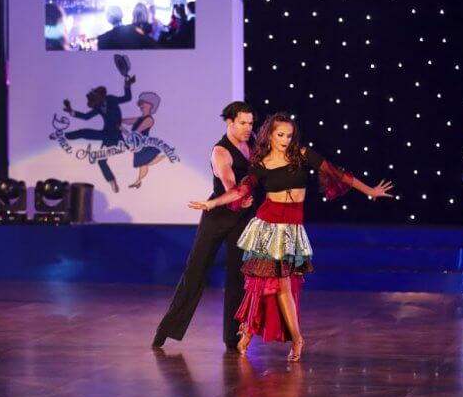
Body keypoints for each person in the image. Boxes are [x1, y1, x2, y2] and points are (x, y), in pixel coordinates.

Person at [189, 112, 394, 361]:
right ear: (269, 136)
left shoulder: (302, 155)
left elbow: (337, 173)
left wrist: (370, 191)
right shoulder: (261, 165)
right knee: (263, 285)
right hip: (267, 228)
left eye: (289, 135)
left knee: (282, 286)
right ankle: (258, 333)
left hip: (290, 229)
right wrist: (212, 204)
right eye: (280, 135)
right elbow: (240, 190)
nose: (286, 139)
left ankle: (290, 339)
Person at [152, 102, 256, 350]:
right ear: (229, 122)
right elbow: (230, 184)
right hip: (218, 215)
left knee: (238, 276)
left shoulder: (252, 144)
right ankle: (165, 331)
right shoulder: (221, 151)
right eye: (242, 123)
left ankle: (232, 337)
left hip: (242, 219)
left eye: (250, 123)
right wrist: (238, 197)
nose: (247, 128)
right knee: (196, 272)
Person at [63, 75, 136, 193]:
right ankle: (112, 181)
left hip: (117, 135)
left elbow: (127, 98)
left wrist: (127, 85)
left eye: (96, 98)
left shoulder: (111, 99)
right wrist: (71, 111)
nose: (95, 102)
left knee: (132, 149)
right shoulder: (98, 107)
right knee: (89, 140)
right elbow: (86, 117)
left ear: (101, 96)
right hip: (106, 134)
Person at [121, 92, 165, 188]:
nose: (141, 106)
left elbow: (135, 134)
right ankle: (138, 181)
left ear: (150, 105)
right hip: (138, 145)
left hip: (142, 145)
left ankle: (138, 181)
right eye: (140, 103)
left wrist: (122, 129)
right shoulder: (140, 118)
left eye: (143, 103)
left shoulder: (149, 120)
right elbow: (129, 121)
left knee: (144, 163)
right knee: (144, 163)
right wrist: (118, 120)